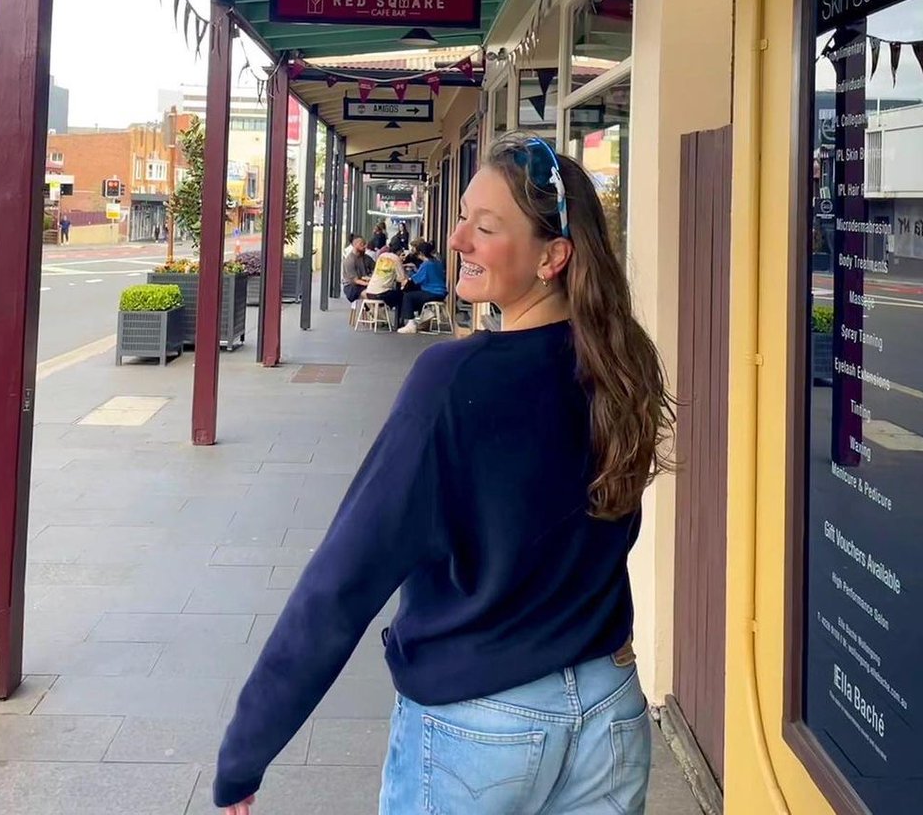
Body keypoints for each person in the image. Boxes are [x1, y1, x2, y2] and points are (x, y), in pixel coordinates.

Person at [214, 133, 673, 815]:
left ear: (552, 257)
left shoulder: (453, 381)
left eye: (484, 228)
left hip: (482, 724)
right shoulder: (619, 362)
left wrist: (246, 748)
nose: (455, 238)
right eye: (462, 215)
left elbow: (345, 577)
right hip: (610, 705)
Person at [396, 240, 448, 333]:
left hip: (432, 292)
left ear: (421, 253)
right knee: (417, 295)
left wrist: (407, 278)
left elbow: (415, 280)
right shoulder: (437, 262)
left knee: (408, 297)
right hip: (441, 292)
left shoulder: (426, 264)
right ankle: (426, 316)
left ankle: (411, 323)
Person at [363, 245, 407, 327]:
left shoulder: (381, 256)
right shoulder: (396, 259)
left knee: (393, 294)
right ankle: (399, 322)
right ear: (399, 251)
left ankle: (378, 312)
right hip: (382, 294)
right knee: (402, 296)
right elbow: (402, 278)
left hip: (370, 291)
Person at [340, 234, 375, 303]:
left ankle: (372, 311)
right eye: (362, 244)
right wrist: (370, 284)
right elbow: (355, 281)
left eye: (365, 244)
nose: (365, 246)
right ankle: (372, 311)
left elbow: (375, 268)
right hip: (351, 287)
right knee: (369, 294)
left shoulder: (367, 258)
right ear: (355, 245)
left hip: (364, 284)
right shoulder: (349, 260)